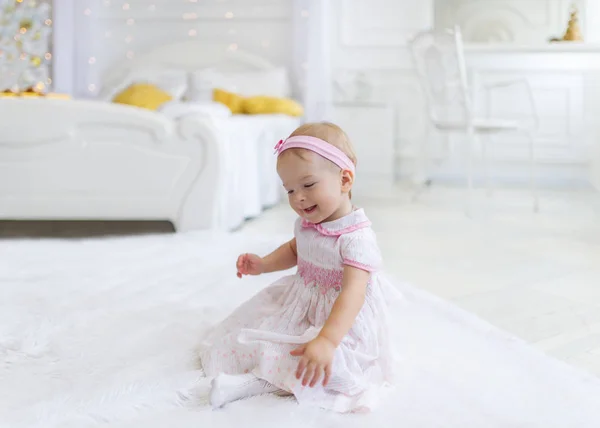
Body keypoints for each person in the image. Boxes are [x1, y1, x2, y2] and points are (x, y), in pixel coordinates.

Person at [199, 122, 401, 413]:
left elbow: (353, 294)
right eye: (290, 189)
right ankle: (259, 372)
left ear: (345, 180)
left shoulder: (356, 239)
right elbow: (296, 249)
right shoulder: (309, 225)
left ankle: (251, 385)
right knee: (260, 334)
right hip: (302, 301)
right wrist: (264, 263)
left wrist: (328, 340)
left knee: (322, 362)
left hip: (340, 319)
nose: (298, 198)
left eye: (308, 185)